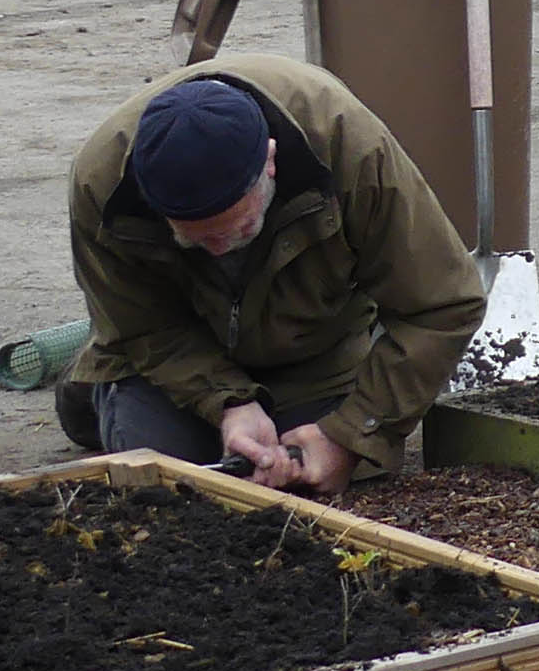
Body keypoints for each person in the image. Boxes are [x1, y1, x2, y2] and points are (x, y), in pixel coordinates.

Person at [55, 54, 485, 499]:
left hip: (314, 353)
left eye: (238, 230)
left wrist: (349, 435)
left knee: (303, 481)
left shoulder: (348, 145)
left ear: (271, 162)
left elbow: (443, 304)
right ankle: (90, 388)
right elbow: (144, 328)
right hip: (172, 358)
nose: (219, 249)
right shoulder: (100, 184)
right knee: (171, 487)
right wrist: (229, 403)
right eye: (196, 241)